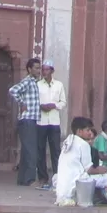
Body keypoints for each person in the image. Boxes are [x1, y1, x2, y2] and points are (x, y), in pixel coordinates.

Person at [8, 57, 43, 186]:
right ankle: (30, 179)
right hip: (27, 119)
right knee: (31, 151)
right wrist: (21, 103)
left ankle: (22, 179)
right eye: (36, 68)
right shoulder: (28, 81)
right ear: (29, 69)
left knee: (26, 151)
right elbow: (13, 90)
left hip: (31, 119)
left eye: (39, 68)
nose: (39, 70)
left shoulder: (35, 82)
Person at [36, 60, 67, 189]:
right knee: (40, 150)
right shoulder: (37, 85)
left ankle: (57, 176)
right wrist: (41, 106)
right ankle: (43, 178)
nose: (44, 72)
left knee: (56, 150)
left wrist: (54, 105)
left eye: (47, 70)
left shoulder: (59, 85)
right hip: (41, 121)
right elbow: (34, 101)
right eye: (43, 70)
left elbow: (63, 102)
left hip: (54, 121)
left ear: (52, 71)